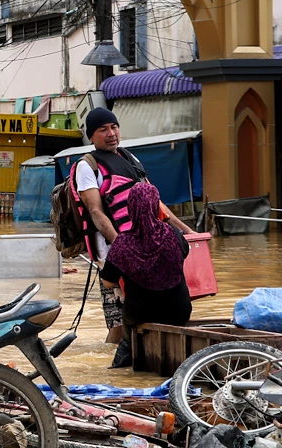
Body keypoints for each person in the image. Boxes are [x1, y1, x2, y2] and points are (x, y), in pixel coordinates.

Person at [72, 107, 193, 363]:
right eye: (102, 129)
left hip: (141, 249)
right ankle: (108, 363)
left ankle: (129, 364)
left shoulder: (131, 159)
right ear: (91, 136)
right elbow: (96, 211)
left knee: (152, 306)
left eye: (114, 127)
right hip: (113, 254)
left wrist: (188, 232)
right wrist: (125, 250)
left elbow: (156, 204)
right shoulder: (87, 166)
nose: (111, 133)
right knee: (116, 324)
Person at [100, 182, 192, 367]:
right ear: (155, 205)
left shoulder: (123, 243)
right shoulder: (173, 233)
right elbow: (185, 253)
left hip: (140, 313)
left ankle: (120, 368)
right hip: (178, 311)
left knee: (125, 344)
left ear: (130, 207)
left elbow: (108, 282)